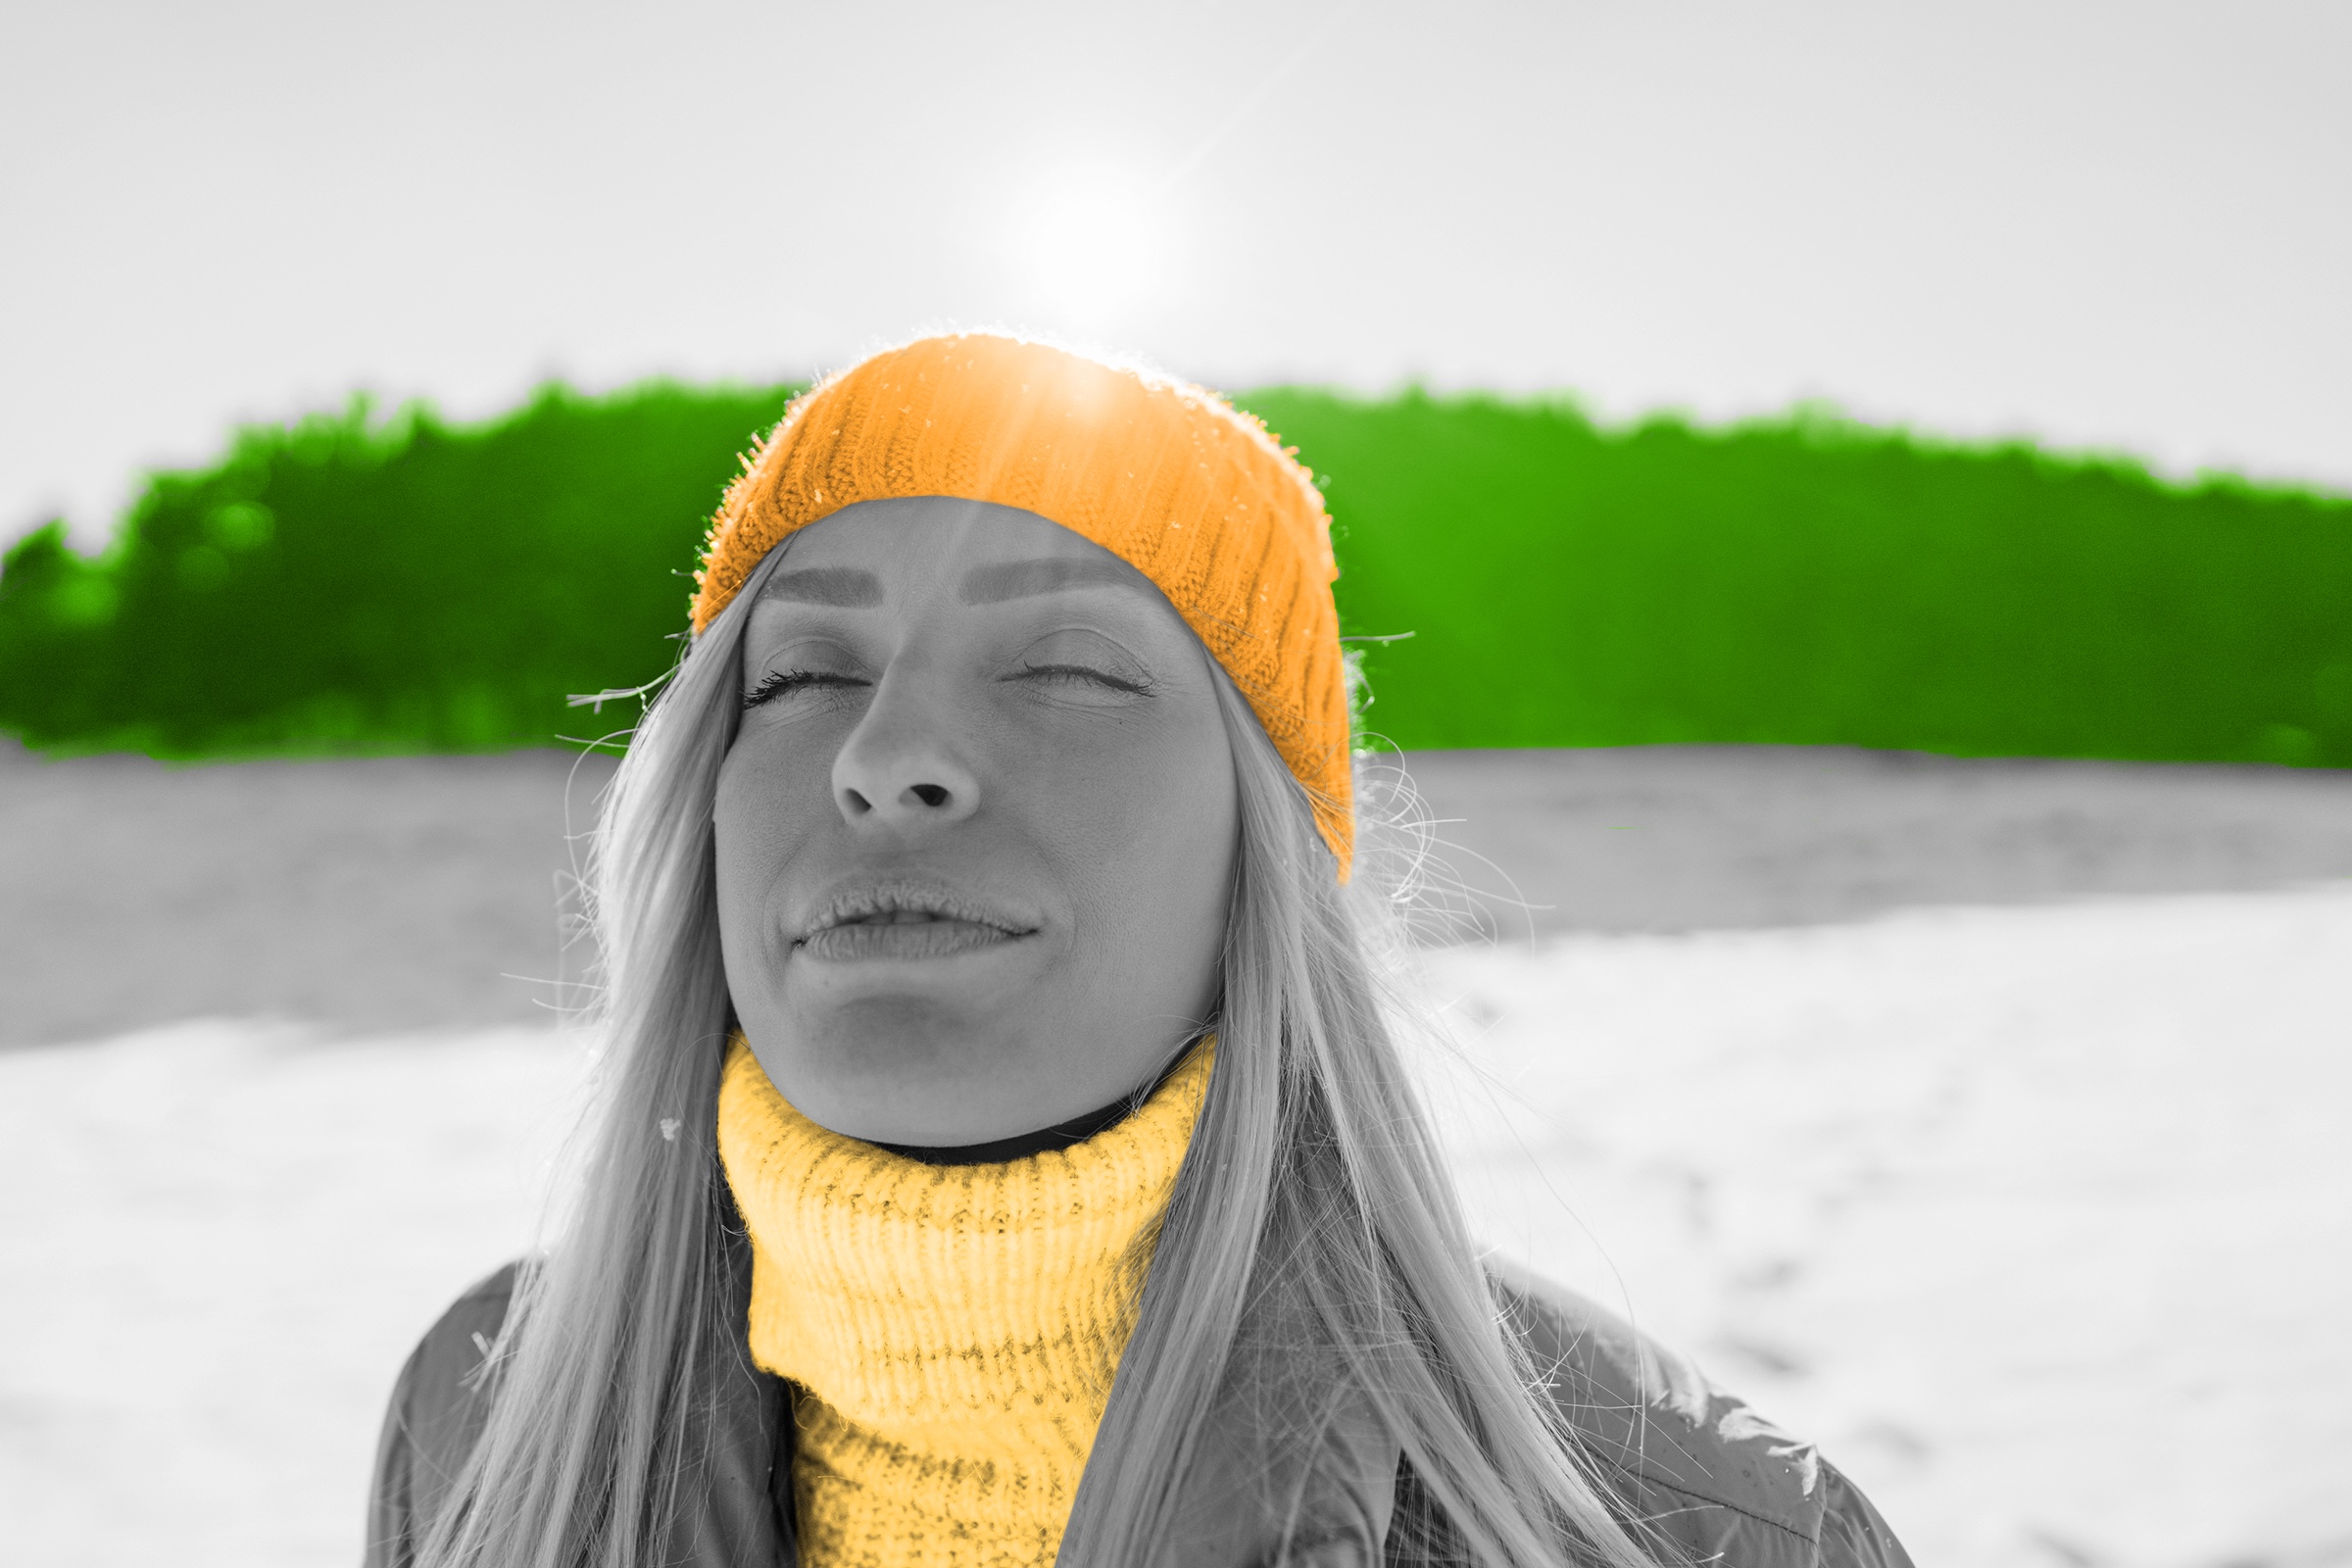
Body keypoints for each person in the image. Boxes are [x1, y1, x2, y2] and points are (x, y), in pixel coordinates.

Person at [365, 332, 1912, 1568]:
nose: (886, 752)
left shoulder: (1695, 1535)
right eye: (805, 670)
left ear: (1266, 859)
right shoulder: (486, 1418)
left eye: (1064, 665)